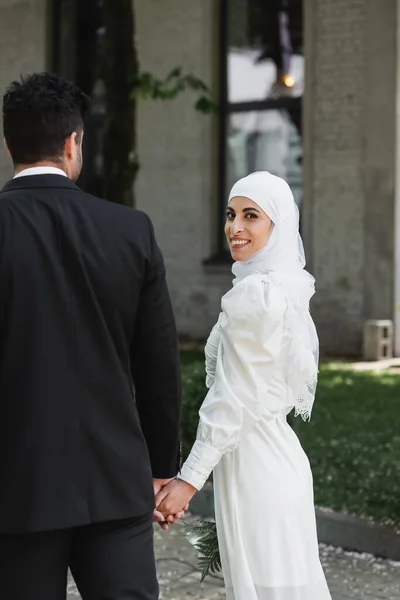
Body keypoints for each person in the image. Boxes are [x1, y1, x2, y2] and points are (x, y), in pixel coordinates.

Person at [0, 72, 182, 600]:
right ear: (74, 141)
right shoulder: (131, 230)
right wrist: (160, 468)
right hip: (114, 480)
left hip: (17, 487)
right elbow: (158, 362)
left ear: (9, 143)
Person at [156, 171, 332, 600]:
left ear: (277, 226)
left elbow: (232, 399)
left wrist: (188, 481)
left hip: (259, 472)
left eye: (251, 216)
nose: (235, 227)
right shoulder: (279, 289)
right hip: (272, 461)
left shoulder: (258, 295)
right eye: (231, 214)